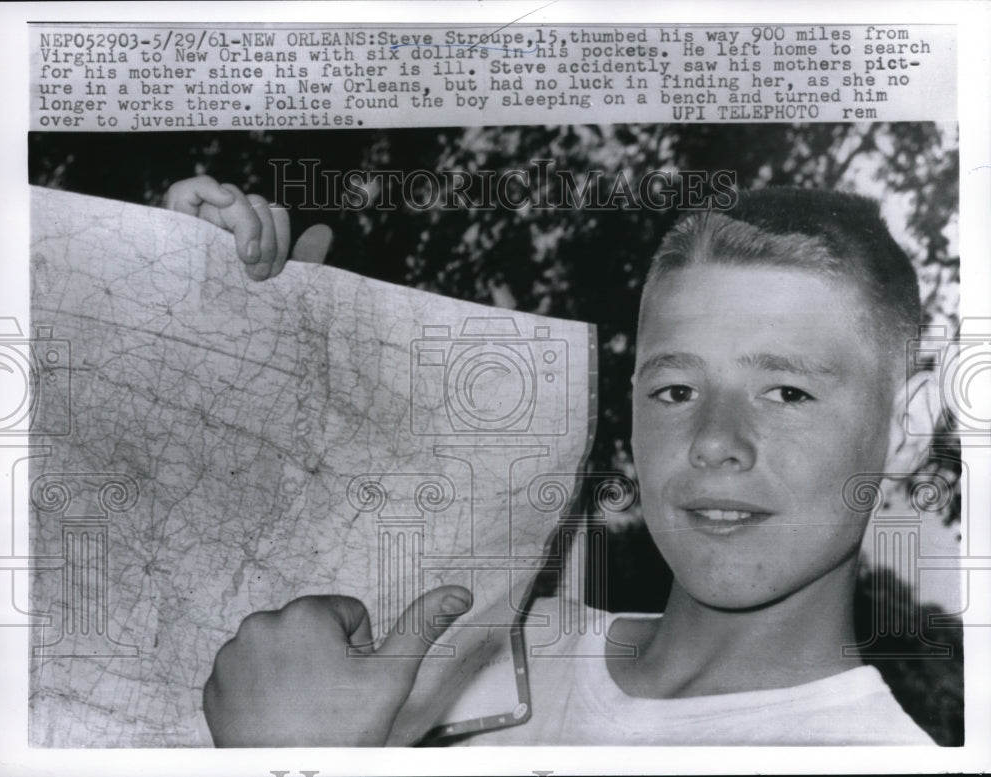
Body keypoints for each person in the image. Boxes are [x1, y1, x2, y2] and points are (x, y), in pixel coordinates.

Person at [165, 177, 939, 746]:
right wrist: (199, 327)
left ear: (907, 426)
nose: (712, 439)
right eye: (674, 388)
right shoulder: (473, 639)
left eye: (787, 392)